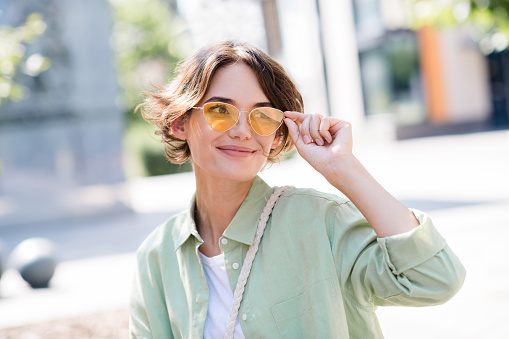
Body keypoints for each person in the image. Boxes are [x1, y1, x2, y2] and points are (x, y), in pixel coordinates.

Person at [129, 40, 466, 339]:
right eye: (221, 111)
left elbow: (434, 279)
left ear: (277, 135)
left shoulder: (322, 222)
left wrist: (343, 168)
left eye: (262, 116)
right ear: (179, 123)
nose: (243, 131)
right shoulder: (156, 257)